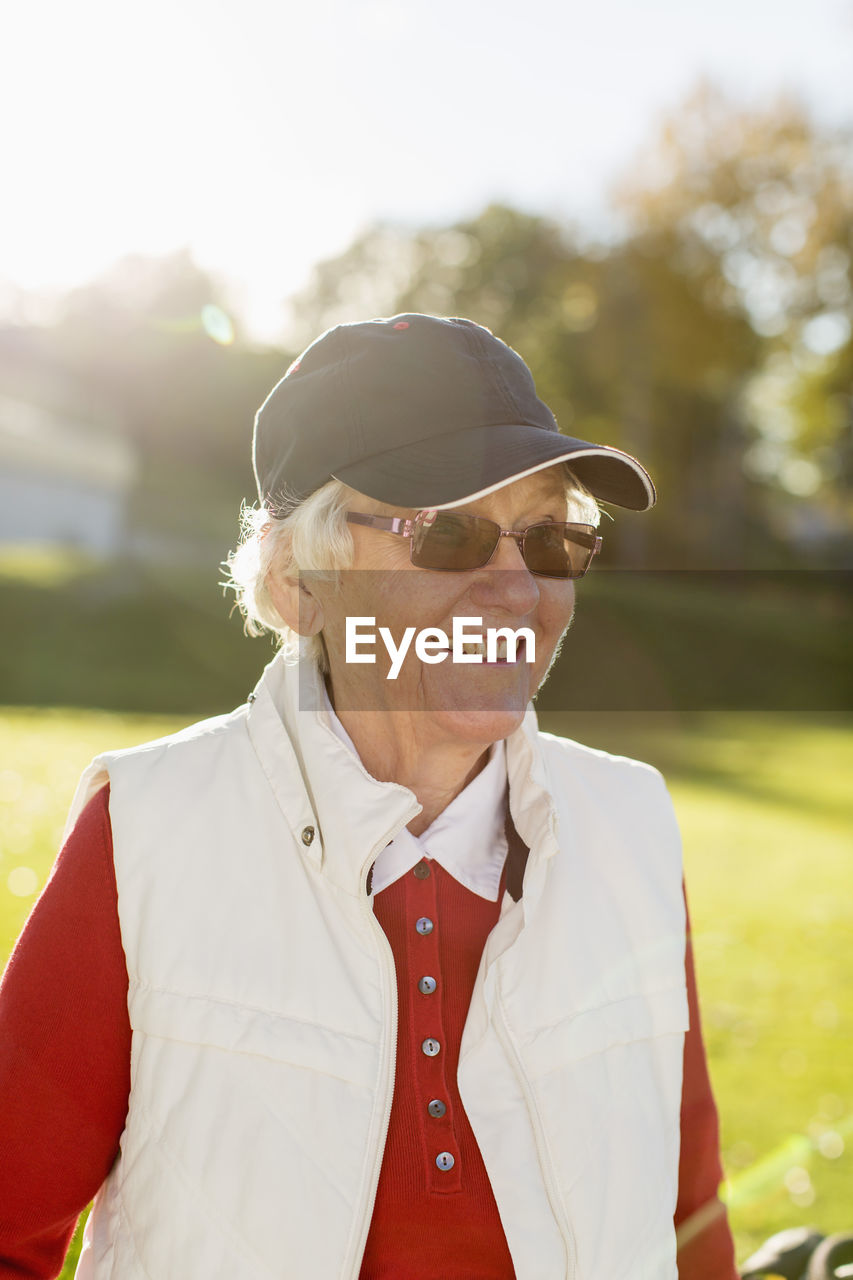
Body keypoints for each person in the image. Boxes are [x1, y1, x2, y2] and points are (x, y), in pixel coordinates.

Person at [0, 314, 739, 1279]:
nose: (516, 587)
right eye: (448, 532)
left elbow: (686, 1217)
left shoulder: (630, 824)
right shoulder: (147, 831)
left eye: (549, 535)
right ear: (302, 582)